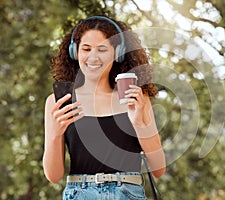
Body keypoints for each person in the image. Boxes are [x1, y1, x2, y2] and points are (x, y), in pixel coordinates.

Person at [43, 14, 166, 199]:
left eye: (102, 49)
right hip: (80, 194)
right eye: (86, 48)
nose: (93, 57)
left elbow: (159, 169)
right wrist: (55, 134)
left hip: (127, 193)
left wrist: (140, 123)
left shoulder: (135, 98)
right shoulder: (58, 101)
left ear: (117, 53)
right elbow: (53, 176)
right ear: (75, 52)